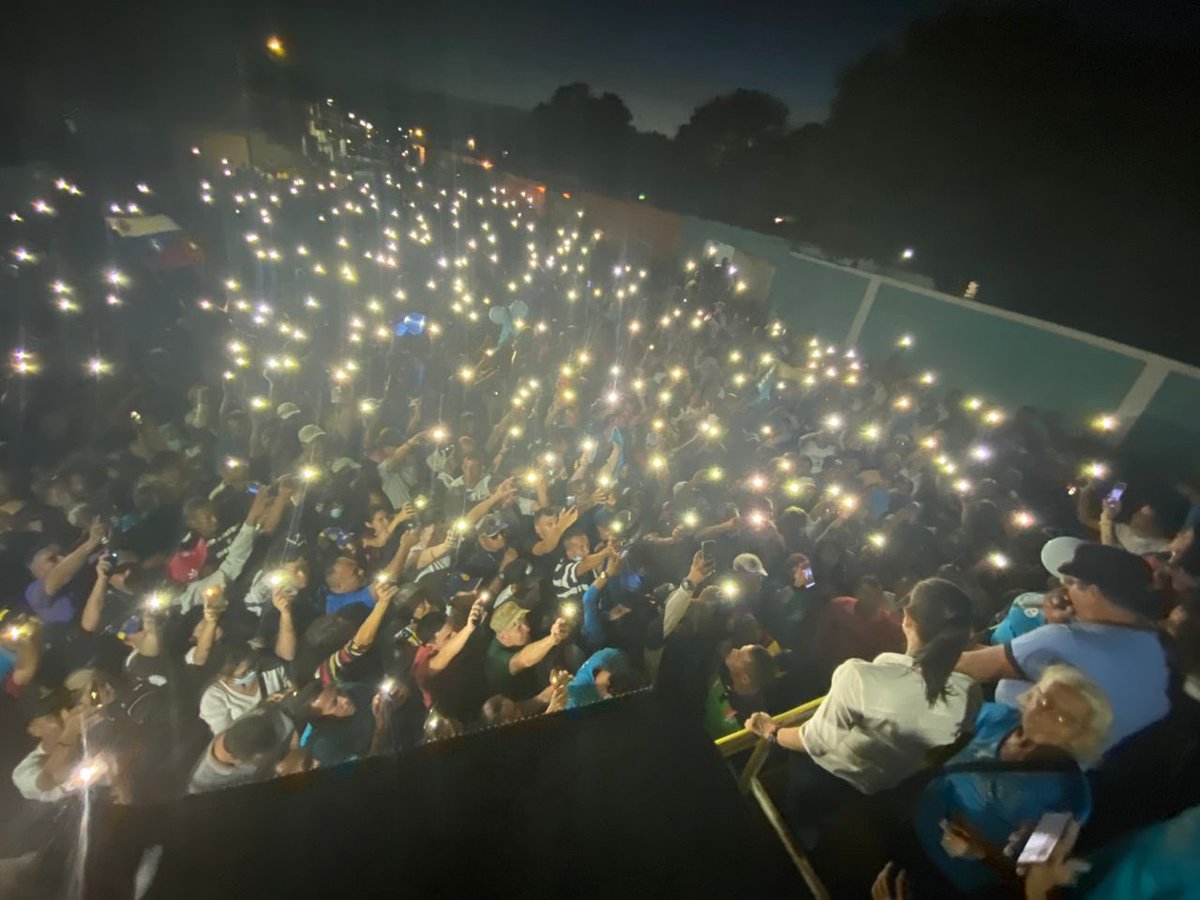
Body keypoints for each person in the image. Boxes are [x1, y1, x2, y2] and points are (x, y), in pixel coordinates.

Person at [746, 578, 980, 845]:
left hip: (828, 777)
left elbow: (815, 741)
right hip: (887, 783)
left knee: (803, 825)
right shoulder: (969, 692)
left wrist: (770, 730)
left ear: (908, 617)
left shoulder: (859, 676)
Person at [955, 537, 1169, 755]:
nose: (1064, 591)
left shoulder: (1065, 640)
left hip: (1027, 757)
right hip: (1103, 769)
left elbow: (968, 666)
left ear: (1093, 592)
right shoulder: (1161, 642)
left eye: (1071, 584)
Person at [911, 665, 1112, 895]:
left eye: (1062, 718)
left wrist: (981, 851)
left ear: (1082, 735)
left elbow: (1031, 876)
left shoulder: (1066, 797)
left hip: (949, 876)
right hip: (915, 824)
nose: (1045, 715)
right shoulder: (998, 717)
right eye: (1045, 701)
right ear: (1032, 694)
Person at [187, 707, 294, 794]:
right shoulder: (203, 788)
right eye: (261, 758)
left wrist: (295, 747)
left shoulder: (256, 719)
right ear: (237, 760)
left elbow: (286, 720)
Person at [484, 603, 571, 701]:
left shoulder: (522, 634)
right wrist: (553, 638)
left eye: (524, 620)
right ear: (503, 637)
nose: (527, 628)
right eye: (518, 627)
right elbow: (523, 659)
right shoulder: (497, 659)